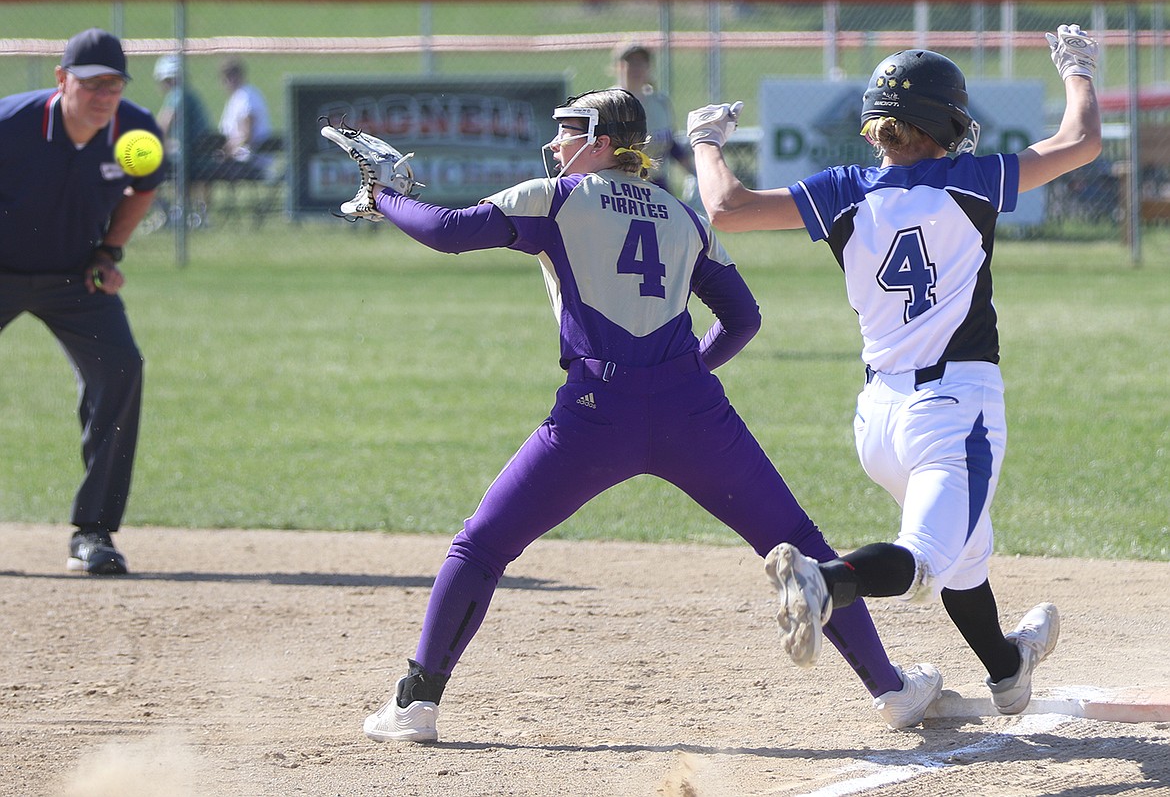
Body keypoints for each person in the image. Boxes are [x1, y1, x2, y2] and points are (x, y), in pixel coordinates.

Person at [325, 87, 943, 744]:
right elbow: (744, 318)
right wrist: (688, 376)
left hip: (595, 414)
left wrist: (386, 197)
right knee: (797, 540)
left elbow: (446, 233)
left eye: (570, 131)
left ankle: (417, 703)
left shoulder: (557, 197)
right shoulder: (682, 215)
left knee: (481, 545)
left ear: (601, 141)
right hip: (691, 411)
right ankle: (891, 689)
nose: (558, 144)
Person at [687, 24, 1102, 716]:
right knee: (925, 561)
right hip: (956, 406)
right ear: (944, 122)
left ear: (878, 125)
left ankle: (1009, 667)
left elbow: (726, 206)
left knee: (966, 554)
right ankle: (824, 581)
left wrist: (705, 140)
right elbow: (1080, 140)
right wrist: (1078, 68)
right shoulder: (971, 180)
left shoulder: (844, 190)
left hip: (877, 421)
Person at [0, 28, 165, 574]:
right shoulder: (11, 125)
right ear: (61, 79)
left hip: (76, 277)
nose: (103, 95)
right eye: (91, 83)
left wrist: (109, 253)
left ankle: (93, 531)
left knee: (120, 368)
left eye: (113, 84)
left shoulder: (134, 132)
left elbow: (143, 190)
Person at [612, 41, 694, 195]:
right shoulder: (610, 102)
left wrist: (695, 174)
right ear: (618, 66)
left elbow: (670, 144)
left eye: (641, 62)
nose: (636, 67)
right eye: (630, 62)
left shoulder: (660, 102)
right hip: (621, 187)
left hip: (658, 183)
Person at [153, 53, 217, 208]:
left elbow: (161, 128)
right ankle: (195, 211)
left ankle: (166, 211)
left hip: (189, 158)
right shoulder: (190, 94)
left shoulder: (176, 95)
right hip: (201, 157)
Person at [214, 57, 273, 181]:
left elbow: (246, 135)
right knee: (206, 162)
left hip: (250, 159)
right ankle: (199, 201)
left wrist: (226, 152)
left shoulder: (246, 97)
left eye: (231, 76)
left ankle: (200, 201)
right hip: (242, 157)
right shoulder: (237, 98)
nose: (228, 81)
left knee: (207, 166)